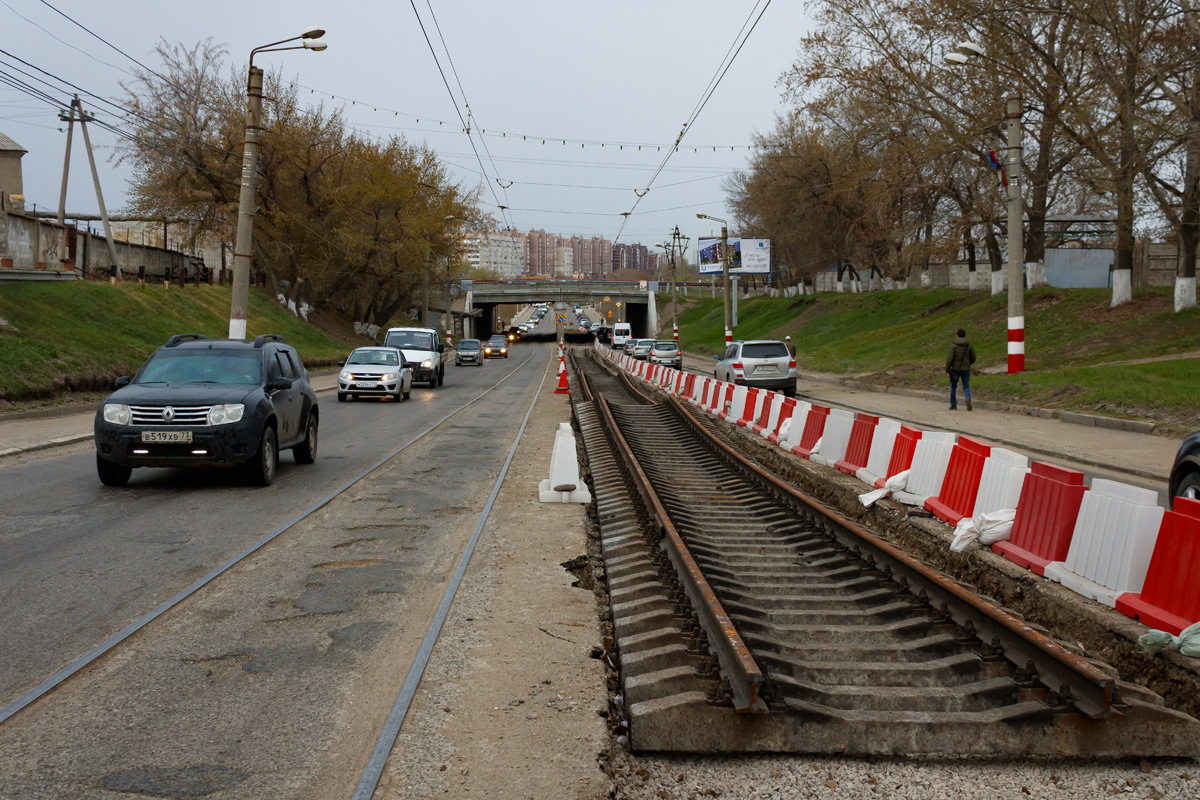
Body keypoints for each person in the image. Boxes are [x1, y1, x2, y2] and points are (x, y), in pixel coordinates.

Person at [946, 328, 977, 411]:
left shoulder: (953, 345)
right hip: (966, 369)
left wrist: (947, 370)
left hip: (955, 369)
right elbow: (974, 357)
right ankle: (967, 398)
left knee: (953, 386)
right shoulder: (968, 345)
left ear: (957, 335)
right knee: (966, 386)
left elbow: (949, 359)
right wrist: (967, 364)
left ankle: (953, 405)